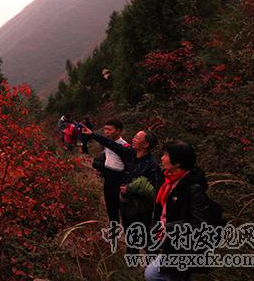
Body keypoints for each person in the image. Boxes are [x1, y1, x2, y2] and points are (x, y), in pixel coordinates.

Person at [82, 125, 163, 253]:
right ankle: (133, 260)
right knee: (129, 231)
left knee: (143, 234)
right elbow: (111, 144)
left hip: (141, 207)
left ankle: (154, 263)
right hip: (127, 204)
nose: (133, 139)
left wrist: (131, 189)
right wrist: (92, 134)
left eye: (137, 138)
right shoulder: (130, 154)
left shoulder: (152, 166)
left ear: (146, 144)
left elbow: (155, 191)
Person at [144, 141, 210, 281]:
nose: (162, 158)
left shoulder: (193, 188)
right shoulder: (168, 179)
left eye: (166, 155)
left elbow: (198, 223)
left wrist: (167, 228)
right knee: (153, 273)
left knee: (155, 274)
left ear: (179, 162)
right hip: (166, 240)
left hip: (182, 246)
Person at [89, 119, 128, 229]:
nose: (106, 132)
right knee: (110, 205)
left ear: (118, 131)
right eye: (105, 129)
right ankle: (113, 229)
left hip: (119, 179)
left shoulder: (124, 146)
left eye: (109, 130)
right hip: (108, 177)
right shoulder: (108, 143)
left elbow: (128, 167)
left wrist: (125, 183)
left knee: (120, 206)